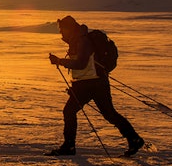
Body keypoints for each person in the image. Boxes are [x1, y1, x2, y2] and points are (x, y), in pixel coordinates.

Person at [48, 15, 144, 157]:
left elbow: (81, 64)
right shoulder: (77, 40)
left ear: (69, 28)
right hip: (93, 83)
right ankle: (134, 139)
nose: (61, 33)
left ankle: (69, 147)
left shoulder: (82, 41)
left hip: (91, 84)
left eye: (62, 29)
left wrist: (59, 61)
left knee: (70, 111)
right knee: (108, 114)